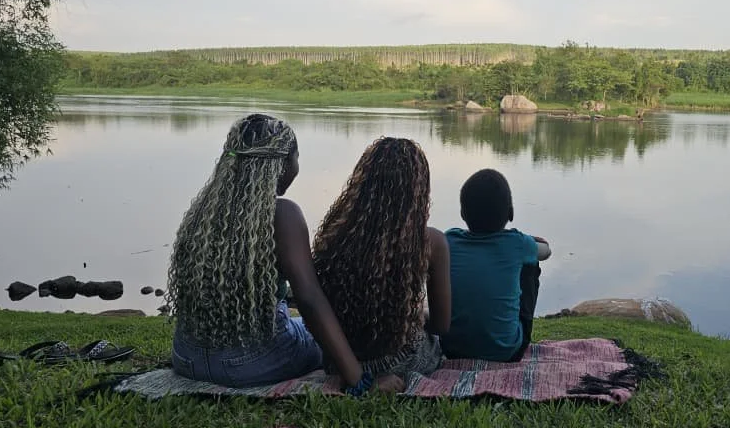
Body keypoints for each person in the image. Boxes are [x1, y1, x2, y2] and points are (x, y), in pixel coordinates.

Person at [166, 113, 400, 396]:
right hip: (247, 364)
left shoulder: (203, 210)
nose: (297, 167)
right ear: (281, 163)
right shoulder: (282, 214)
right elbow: (309, 298)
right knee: (332, 338)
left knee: (298, 325)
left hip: (187, 359)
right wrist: (359, 379)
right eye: (296, 157)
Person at [313, 137, 451, 378]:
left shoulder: (335, 236)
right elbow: (441, 325)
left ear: (362, 182)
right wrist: (416, 317)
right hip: (397, 363)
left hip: (338, 362)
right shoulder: (431, 242)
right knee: (432, 343)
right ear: (418, 189)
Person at [440, 168, 551, 362]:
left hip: (451, 349)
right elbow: (546, 251)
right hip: (507, 353)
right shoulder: (517, 243)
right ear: (510, 213)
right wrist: (527, 240)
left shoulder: (448, 241)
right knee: (530, 265)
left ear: (462, 213)